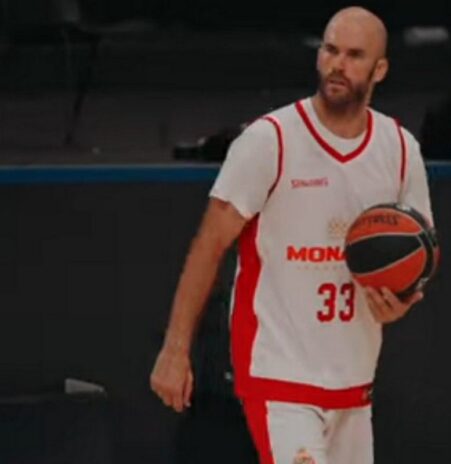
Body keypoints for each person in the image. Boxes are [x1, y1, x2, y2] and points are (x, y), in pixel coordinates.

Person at [150, 6, 433, 464]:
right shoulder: (271, 140)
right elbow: (209, 244)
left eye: (354, 55)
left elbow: (423, 253)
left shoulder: (399, 148)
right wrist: (175, 348)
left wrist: (403, 299)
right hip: (278, 375)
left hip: (354, 378)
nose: (337, 64)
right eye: (330, 50)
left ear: (379, 69)